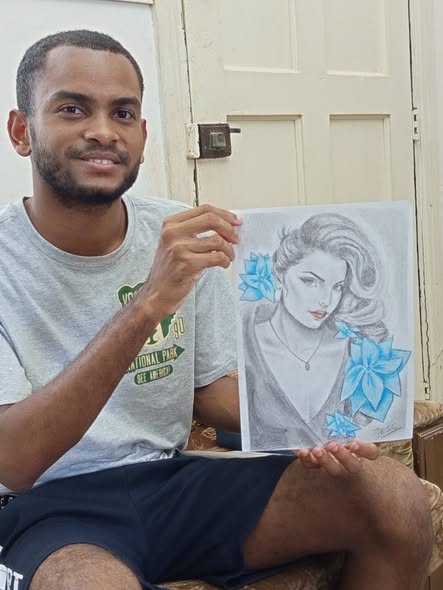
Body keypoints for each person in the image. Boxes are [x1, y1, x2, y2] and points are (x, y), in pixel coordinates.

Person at [0, 30, 432, 590]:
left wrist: (313, 423)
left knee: (395, 498)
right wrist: (147, 305)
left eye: (123, 113)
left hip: (171, 482)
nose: (103, 130)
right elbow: (15, 460)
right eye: (72, 109)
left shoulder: (175, 229)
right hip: (47, 507)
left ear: (143, 136)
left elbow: (210, 390)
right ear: (22, 131)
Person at [242, 213, 399, 450]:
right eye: (311, 281)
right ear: (280, 276)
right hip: (267, 471)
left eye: (337, 287)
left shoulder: (355, 351)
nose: (326, 300)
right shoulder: (247, 342)